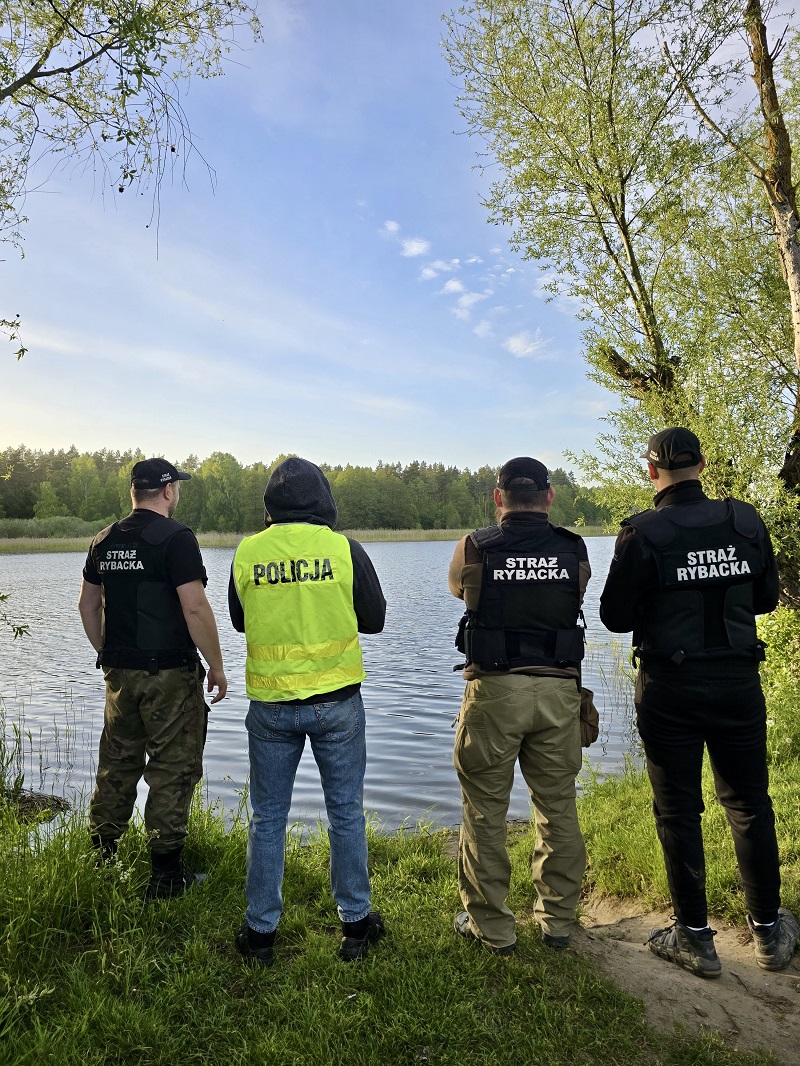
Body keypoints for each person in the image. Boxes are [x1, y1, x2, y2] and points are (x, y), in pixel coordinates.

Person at [600, 427, 798, 977]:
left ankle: (693, 937)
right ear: (703, 464)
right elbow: (765, 598)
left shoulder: (642, 532)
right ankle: (768, 931)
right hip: (736, 680)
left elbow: (614, 616)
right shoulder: (745, 521)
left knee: (678, 810)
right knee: (749, 803)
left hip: (669, 688)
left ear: (651, 471)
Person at [229, 457, 386, 967]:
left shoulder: (248, 552)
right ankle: (356, 927)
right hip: (336, 704)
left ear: (271, 504)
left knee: (267, 818)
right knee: (345, 812)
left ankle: (260, 935)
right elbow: (376, 620)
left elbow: (239, 619)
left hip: (271, 708)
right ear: (323, 499)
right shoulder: (345, 549)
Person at [448, 456, 590, 954]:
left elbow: (460, 589)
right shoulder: (573, 549)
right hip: (558, 692)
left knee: (485, 812)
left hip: (495, 693)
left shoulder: (475, 546)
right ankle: (558, 921)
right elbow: (573, 592)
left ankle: (493, 928)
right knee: (557, 806)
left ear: (498, 497)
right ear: (549, 496)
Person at [78, 458, 227, 899]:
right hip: (169, 675)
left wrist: (105, 652)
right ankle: (165, 876)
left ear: (133, 492)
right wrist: (216, 665)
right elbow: (194, 606)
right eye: (176, 487)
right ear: (167, 491)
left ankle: (101, 860)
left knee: (117, 762)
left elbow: (88, 605)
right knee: (172, 768)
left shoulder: (103, 540)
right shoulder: (176, 538)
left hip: (120, 675)